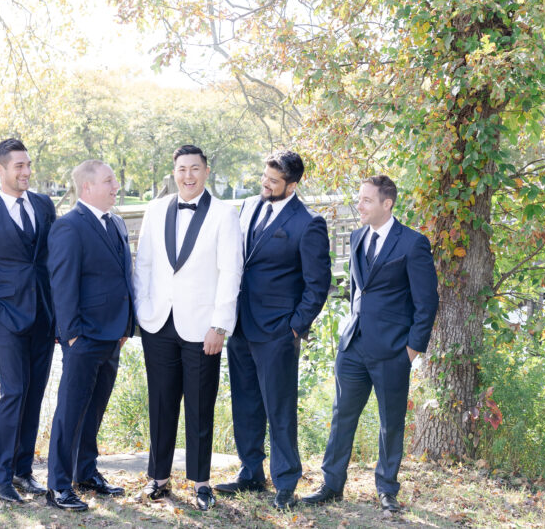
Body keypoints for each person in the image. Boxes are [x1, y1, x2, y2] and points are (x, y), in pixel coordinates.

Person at [301, 175, 439, 513]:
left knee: (390, 422)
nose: (359, 205)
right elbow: (356, 291)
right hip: (353, 346)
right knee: (341, 416)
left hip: (393, 350)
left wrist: (411, 350)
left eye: (366, 200)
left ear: (386, 204)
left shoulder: (413, 243)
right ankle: (331, 484)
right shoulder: (358, 235)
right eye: (359, 199)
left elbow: (427, 302)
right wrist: (351, 328)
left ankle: (387, 488)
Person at [214, 150, 331, 510]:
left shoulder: (308, 222)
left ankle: (285, 481)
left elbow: (318, 284)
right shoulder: (248, 207)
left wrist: (295, 327)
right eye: (264, 177)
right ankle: (250, 472)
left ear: (292, 185)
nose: (265, 184)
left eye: (274, 181)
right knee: (245, 403)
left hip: (278, 332)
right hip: (241, 326)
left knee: (279, 408)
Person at [133, 145, 243, 511]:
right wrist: (143, 310)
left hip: (202, 328)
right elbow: (144, 264)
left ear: (206, 171)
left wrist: (220, 325)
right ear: (174, 171)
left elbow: (231, 272)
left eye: (195, 168)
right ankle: (158, 478)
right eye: (182, 169)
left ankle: (201, 481)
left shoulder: (225, 215)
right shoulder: (155, 209)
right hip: (158, 323)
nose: (188, 176)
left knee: (200, 407)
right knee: (161, 403)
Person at [0, 139, 56, 503]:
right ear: (0, 169)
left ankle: (23, 471)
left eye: (28, 165)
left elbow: (52, 259)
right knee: (13, 393)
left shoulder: (44, 205)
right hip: (7, 317)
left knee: (34, 395)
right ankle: (0, 477)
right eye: (19, 166)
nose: (26, 172)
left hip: (45, 317)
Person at [45, 160, 135, 511]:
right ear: (87, 188)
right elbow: (63, 284)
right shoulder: (69, 226)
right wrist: (71, 336)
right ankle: (58, 485)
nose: (116, 187)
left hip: (113, 334)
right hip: (83, 337)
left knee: (95, 408)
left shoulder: (115, 222)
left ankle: (86, 472)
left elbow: (123, 276)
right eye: (109, 181)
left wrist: (127, 326)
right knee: (71, 411)